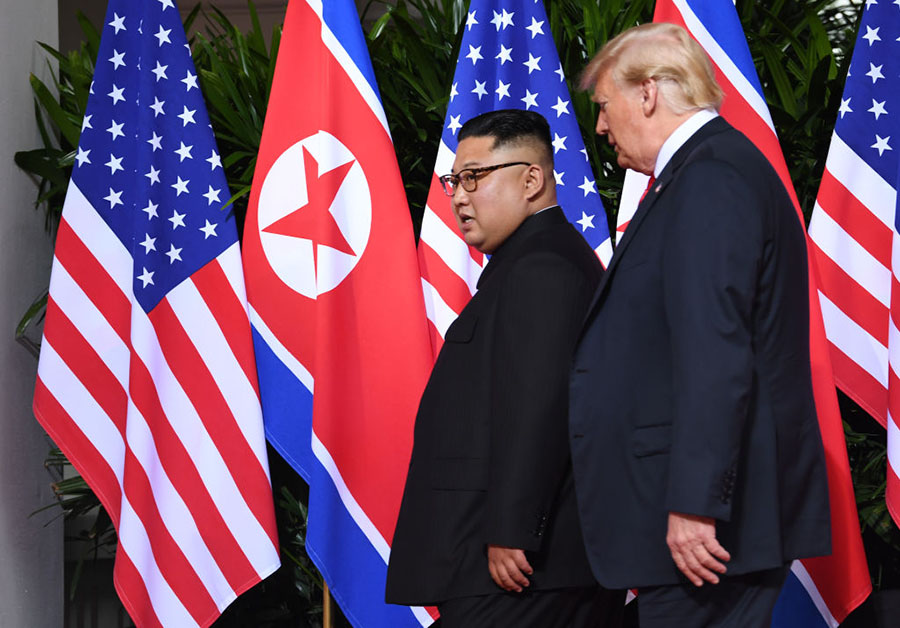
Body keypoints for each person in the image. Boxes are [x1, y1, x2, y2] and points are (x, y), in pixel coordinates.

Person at [568, 23, 831, 628]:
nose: (601, 126)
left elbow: (715, 351)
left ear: (649, 93)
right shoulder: (708, 171)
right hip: (706, 526)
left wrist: (694, 502)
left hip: (709, 532)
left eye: (605, 105)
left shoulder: (711, 176)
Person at [386, 109, 623, 628]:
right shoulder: (528, 261)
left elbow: (539, 406)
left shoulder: (543, 266)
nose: (458, 196)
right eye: (454, 180)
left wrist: (514, 528)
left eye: (474, 177)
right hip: (513, 566)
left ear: (532, 179)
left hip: (525, 567)